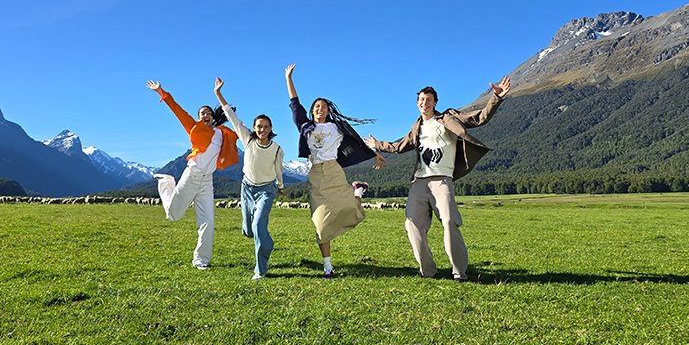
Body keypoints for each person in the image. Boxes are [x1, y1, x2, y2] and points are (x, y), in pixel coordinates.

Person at [364, 77, 511, 281]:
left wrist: (495, 97)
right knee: (412, 224)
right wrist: (377, 144)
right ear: (417, 104)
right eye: (421, 100)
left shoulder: (448, 118)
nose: (424, 103)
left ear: (435, 103)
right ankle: (428, 271)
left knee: (450, 221)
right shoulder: (417, 128)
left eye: (429, 99)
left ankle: (459, 272)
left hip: (442, 180)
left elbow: (480, 118)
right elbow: (399, 146)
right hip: (419, 181)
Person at [285, 63, 386, 278]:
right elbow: (295, 105)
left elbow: (357, 143)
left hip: (334, 170)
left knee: (352, 211)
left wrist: (374, 154)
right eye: (316, 106)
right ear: (312, 111)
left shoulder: (337, 128)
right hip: (315, 175)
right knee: (321, 224)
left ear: (328, 111)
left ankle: (357, 192)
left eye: (323, 106)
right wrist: (289, 79)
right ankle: (328, 267)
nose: (319, 109)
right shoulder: (305, 127)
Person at [146, 79, 240, 269]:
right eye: (201, 113)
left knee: (208, 222)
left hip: (207, 182)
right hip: (191, 176)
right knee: (173, 215)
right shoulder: (194, 128)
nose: (205, 115)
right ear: (198, 118)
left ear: (213, 117)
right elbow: (178, 111)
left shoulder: (223, 132)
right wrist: (161, 92)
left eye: (208, 113)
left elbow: (234, 119)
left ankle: (201, 260)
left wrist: (218, 92)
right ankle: (166, 183)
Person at [214, 77, 285, 279]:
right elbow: (231, 115)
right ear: (254, 128)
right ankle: (265, 241)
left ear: (270, 129)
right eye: (258, 126)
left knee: (258, 226)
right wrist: (218, 93)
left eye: (265, 126)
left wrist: (280, 186)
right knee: (248, 230)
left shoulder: (277, 149)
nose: (262, 129)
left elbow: (278, 170)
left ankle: (260, 270)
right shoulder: (248, 140)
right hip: (246, 189)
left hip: (266, 190)